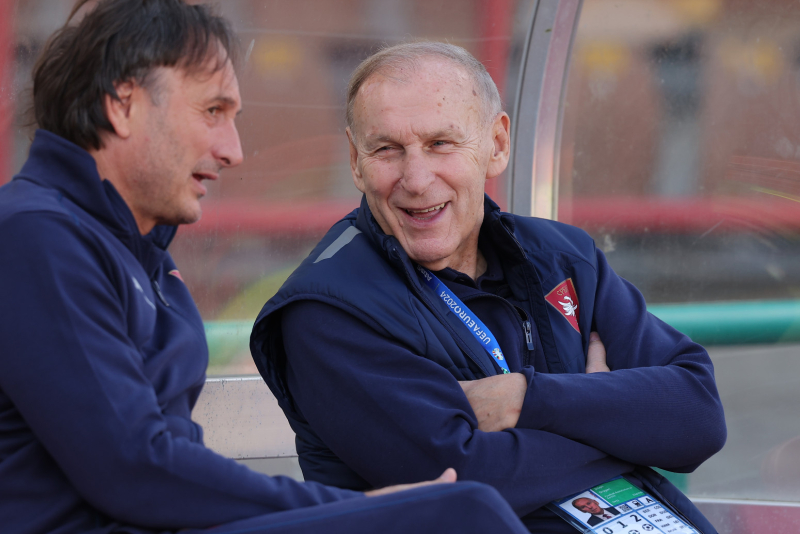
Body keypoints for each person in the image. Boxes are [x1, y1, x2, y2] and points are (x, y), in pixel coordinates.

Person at [0, 3, 531, 534]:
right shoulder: (35, 237)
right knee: (460, 513)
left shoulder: (143, 259)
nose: (232, 150)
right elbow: (133, 468)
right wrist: (343, 507)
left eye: (440, 144)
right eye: (213, 111)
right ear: (123, 105)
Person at [250, 42, 727, 534]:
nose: (416, 179)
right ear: (356, 160)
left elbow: (699, 417)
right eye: (387, 149)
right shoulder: (328, 308)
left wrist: (528, 398)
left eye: (440, 143)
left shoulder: (562, 257)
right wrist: (615, 420)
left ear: (496, 144)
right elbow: (465, 480)